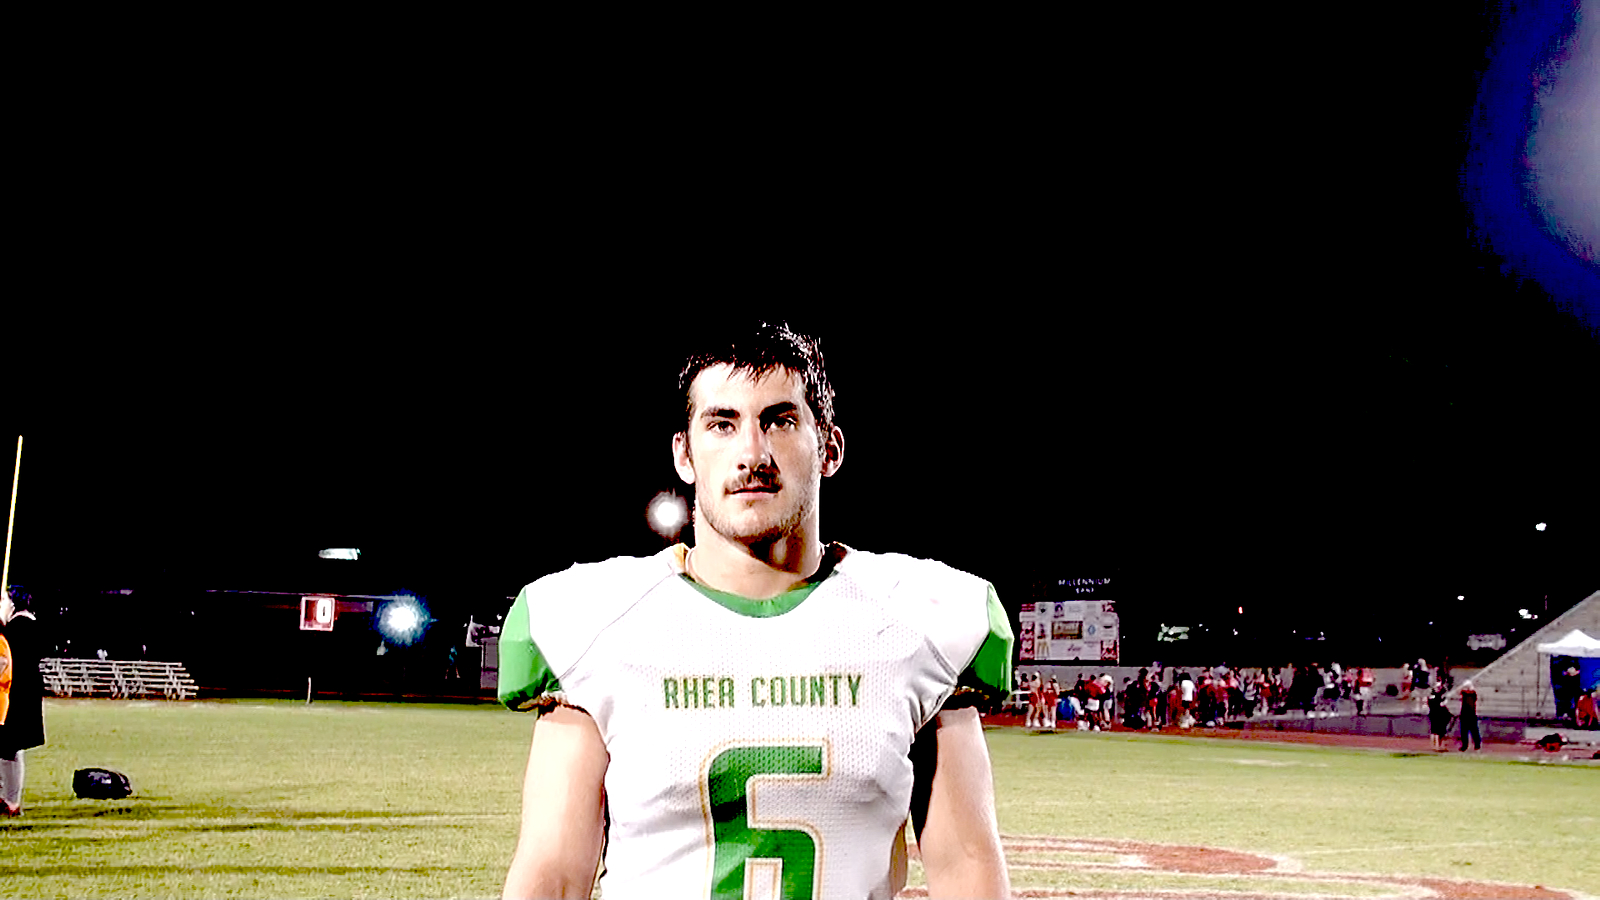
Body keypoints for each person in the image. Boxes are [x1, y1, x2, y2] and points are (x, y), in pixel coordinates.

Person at [496, 322, 1014, 899]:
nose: (751, 453)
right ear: (684, 455)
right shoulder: (597, 624)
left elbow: (967, 869)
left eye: (780, 420)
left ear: (829, 448)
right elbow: (554, 877)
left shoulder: (921, 621)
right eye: (722, 424)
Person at [0, 590, 46, 817]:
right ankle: (7, 798)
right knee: (7, 749)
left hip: (16, 696)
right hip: (19, 695)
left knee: (9, 748)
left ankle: (11, 801)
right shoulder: (23, 625)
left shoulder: (20, 626)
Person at [1427, 679, 1452, 751]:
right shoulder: (1436, 696)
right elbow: (1437, 704)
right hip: (1436, 714)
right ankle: (1436, 746)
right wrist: (1442, 703)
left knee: (1435, 731)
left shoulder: (1433, 695)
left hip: (1434, 714)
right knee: (1436, 731)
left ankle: (1436, 746)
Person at [1457, 680, 1481, 752]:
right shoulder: (1464, 693)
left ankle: (1477, 745)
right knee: (1464, 732)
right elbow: (1458, 691)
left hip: (1471, 715)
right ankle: (1464, 745)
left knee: (1474, 731)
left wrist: (1470, 687)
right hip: (1464, 714)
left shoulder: (1473, 694)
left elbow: (1472, 692)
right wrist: (1463, 686)